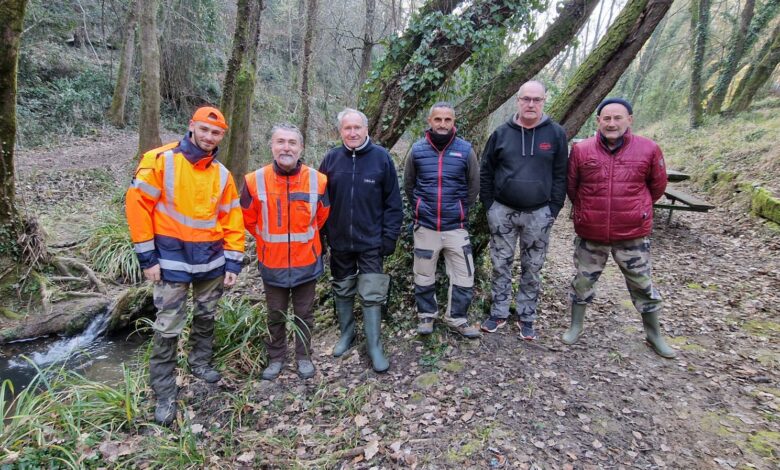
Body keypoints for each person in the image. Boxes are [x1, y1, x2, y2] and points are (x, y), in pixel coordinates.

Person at [125, 106, 245, 425]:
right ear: (191, 127)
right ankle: (164, 393)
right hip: (169, 262)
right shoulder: (160, 160)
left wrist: (233, 262)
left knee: (206, 317)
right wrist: (147, 258)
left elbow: (233, 220)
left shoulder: (222, 174)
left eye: (216, 133)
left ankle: (200, 363)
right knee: (166, 328)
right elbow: (137, 208)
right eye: (204, 129)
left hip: (211, 264)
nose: (209, 137)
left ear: (222, 136)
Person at [563, 98, 676, 358]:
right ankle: (575, 326)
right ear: (599, 121)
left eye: (618, 118)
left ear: (629, 120)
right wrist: (586, 212)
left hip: (632, 234)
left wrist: (638, 210)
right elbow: (572, 186)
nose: (612, 123)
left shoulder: (648, 149)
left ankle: (654, 335)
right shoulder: (582, 151)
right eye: (607, 118)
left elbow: (657, 186)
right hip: (591, 233)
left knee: (642, 284)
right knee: (582, 282)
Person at [479, 80, 568, 340]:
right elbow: (486, 171)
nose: (531, 104)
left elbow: (561, 175)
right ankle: (499, 312)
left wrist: (553, 209)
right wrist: (490, 206)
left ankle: (527, 315)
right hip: (503, 211)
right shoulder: (500, 133)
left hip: (539, 213)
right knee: (500, 264)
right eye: (526, 99)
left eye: (536, 100)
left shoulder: (555, 134)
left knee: (533, 267)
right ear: (518, 100)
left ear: (544, 101)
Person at [241, 124, 330, 380]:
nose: (286, 147)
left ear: (301, 148)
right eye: (281, 142)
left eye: (292, 142)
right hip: (272, 262)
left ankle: (303, 357)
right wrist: (268, 242)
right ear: (272, 145)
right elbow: (247, 219)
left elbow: (322, 216)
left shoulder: (318, 180)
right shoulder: (253, 180)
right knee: (275, 315)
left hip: (307, 261)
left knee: (304, 314)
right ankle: (276, 358)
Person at [318, 108, 403, 372]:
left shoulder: (381, 159)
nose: (353, 132)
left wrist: (389, 238)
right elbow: (320, 202)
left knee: (372, 291)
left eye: (357, 127)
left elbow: (393, 203)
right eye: (347, 128)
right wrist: (322, 237)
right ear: (340, 131)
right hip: (340, 239)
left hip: (371, 241)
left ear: (367, 129)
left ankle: (374, 345)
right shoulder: (331, 159)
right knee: (342, 288)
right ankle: (347, 334)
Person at [403, 102, 481, 339]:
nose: (443, 124)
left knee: (464, 275)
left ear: (453, 122)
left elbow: (473, 186)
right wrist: (420, 207)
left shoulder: (465, 150)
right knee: (423, 274)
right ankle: (427, 315)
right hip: (425, 226)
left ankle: (457, 318)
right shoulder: (417, 150)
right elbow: (408, 185)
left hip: (455, 227)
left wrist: (458, 210)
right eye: (438, 119)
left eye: (448, 120)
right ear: (430, 121)